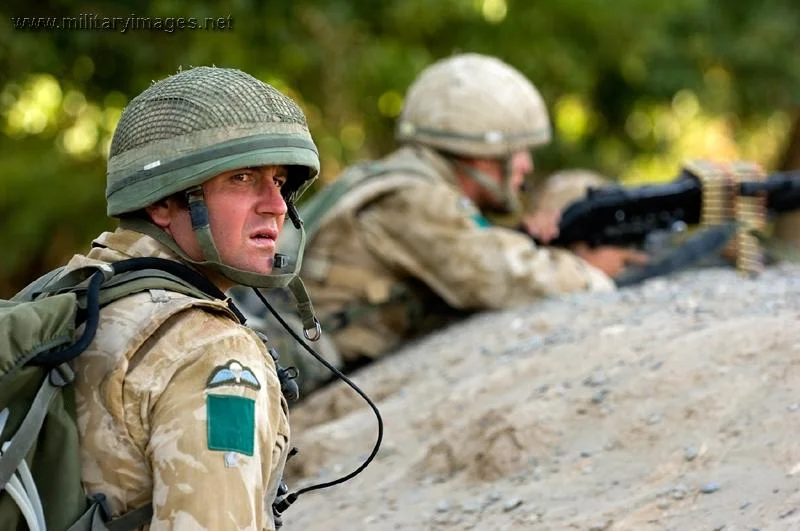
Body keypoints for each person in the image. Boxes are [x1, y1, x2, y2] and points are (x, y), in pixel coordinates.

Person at [240, 53, 648, 397]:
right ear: (479, 154)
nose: (527, 165)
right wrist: (593, 274)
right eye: (516, 150)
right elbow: (503, 277)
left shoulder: (398, 180)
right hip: (296, 376)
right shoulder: (416, 201)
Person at [58, 67, 320, 529]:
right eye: (241, 178)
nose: (276, 205)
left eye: (278, 181)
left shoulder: (70, 294)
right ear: (162, 204)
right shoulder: (209, 351)